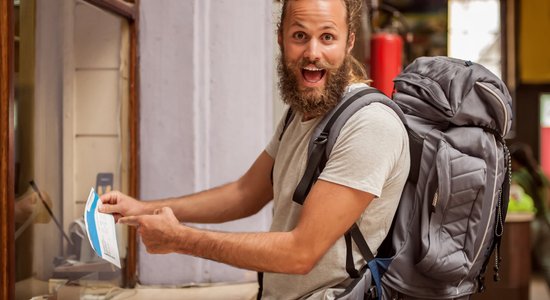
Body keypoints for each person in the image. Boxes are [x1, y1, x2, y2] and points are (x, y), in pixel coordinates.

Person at [99, 0, 410, 298]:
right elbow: (244, 194)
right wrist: (143, 208)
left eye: (327, 37)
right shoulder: (300, 113)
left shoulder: (369, 125)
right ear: (281, 39)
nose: (312, 52)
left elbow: (300, 253)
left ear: (349, 41)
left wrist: (181, 239)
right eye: (299, 36)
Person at [510, 142, 550, 289]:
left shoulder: (518, 177)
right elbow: (547, 197)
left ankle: (520, 293)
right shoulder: (539, 173)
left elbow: (515, 200)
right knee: (547, 262)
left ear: (516, 160)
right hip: (545, 221)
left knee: (521, 263)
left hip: (529, 224)